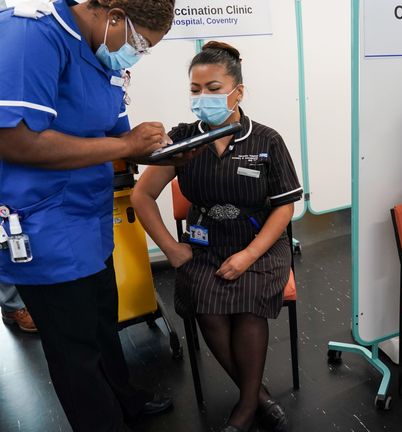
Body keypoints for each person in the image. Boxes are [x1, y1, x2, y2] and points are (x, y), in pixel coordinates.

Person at [0, 1, 178, 431]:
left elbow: (117, 126)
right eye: (139, 43)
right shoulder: (31, 35)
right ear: (114, 15)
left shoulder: (98, 49)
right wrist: (126, 147)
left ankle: (125, 402)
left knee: (102, 321)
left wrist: (167, 150)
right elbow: (15, 141)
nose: (137, 54)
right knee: (73, 349)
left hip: (88, 216)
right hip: (43, 225)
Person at [132, 41, 303, 432]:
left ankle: (244, 408)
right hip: (204, 243)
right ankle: (257, 395)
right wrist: (170, 248)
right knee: (207, 308)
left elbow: (284, 207)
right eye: (195, 89)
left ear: (237, 91)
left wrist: (248, 255)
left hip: (260, 244)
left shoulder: (266, 140)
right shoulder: (182, 140)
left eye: (213, 89)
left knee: (248, 307)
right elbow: (142, 195)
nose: (202, 98)